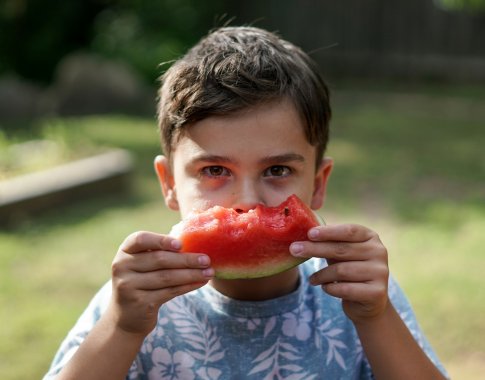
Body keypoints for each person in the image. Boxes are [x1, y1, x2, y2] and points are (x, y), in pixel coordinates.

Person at [44, 26, 449, 379]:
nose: (247, 201)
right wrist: (122, 326)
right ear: (168, 183)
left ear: (318, 183)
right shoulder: (134, 301)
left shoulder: (358, 295)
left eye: (276, 171)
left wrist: (376, 319)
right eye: (215, 171)